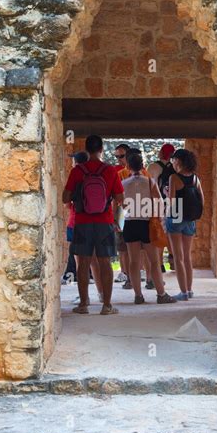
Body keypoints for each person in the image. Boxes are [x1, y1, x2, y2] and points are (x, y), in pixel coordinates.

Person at [63, 135, 124, 315]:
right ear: (101, 149)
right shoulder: (110, 171)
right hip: (104, 223)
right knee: (105, 262)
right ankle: (107, 305)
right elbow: (121, 199)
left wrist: (79, 196)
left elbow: (65, 198)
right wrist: (115, 217)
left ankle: (83, 304)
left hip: (82, 222)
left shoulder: (77, 171)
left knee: (83, 263)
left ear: (86, 149)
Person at [122, 151, 176, 305]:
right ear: (143, 166)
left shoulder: (123, 184)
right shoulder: (150, 182)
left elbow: (121, 203)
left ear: (128, 166)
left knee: (133, 262)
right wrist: (159, 219)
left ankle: (138, 295)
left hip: (130, 222)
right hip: (147, 223)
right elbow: (159, 202)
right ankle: (161, 294)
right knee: (153, 261)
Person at [64, 150, 104, 304]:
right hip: (94, 223)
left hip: (76, 223)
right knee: (94, 261)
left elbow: (67, 203)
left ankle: (84, 298)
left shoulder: (75, 176)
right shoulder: (97, 175)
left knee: (81, 263)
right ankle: (102, 294)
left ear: (76, 163)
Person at [165, 148, 204, 301]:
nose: (172, 163)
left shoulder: (174, 178)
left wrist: (167, 194)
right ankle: (190, 289)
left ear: (178, 161)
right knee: (187, 256)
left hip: (176, 217)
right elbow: (202, 200)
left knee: (178, 257)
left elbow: (172, 202)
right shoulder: (195, 178)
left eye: (173, 160)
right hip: (190, 219)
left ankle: (183, 292)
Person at [148, 143, 176, 272]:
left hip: (158, 205)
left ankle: (159, 264)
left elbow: (150, 188)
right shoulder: (175, 167)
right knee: (172, 233)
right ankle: (173, 260)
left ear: (161, 152)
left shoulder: (153, 167)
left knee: (159, 234)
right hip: (174, 206)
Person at [113, 143, 132, 288]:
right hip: (123, 214)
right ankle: (126, 274)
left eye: (121, 156)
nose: (119, 159)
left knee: (135, 248)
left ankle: (135, 274)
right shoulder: (115, 172)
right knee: (123, 248)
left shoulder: (122, 174)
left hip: (132, 214)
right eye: (117, 156)